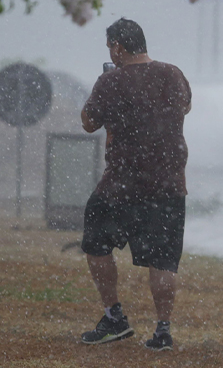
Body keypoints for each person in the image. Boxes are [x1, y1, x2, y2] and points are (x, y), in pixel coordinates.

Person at [79, 18, 192, 351]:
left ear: (118, 47)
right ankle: (163, 330)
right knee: (163, 261)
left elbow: (87, 123)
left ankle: (114, 316)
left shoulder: (111, 81)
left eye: (110, 48)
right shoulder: (173, 74)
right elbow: (185, 106)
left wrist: (107, 88)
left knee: (95, 241)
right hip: (169, 184)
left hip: (122, 185)